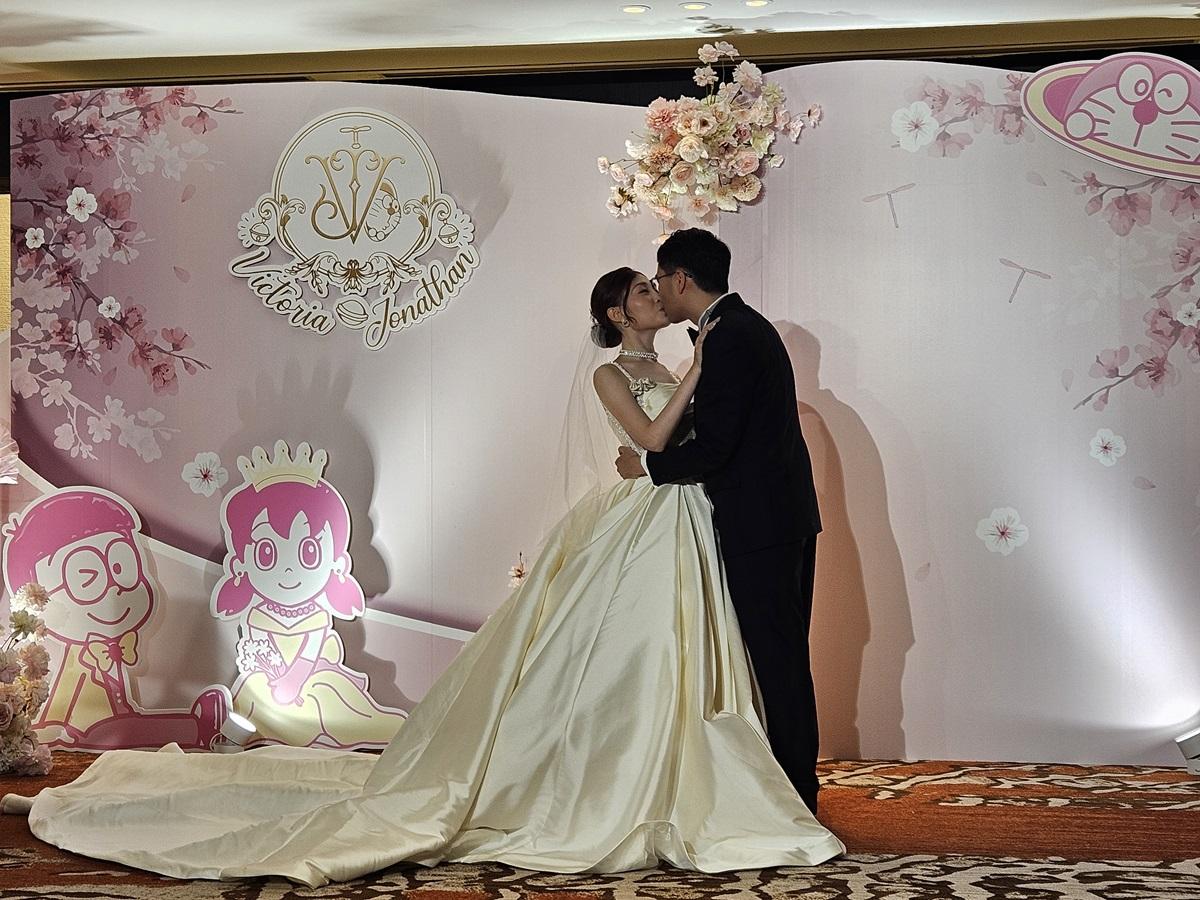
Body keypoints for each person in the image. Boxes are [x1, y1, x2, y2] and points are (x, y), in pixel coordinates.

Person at [2, 267, 842, 887]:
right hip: (646, 514)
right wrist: (695, 375)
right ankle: (613, 776)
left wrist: (695, 383)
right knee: (631, 644)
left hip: (687, 515)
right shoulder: (613, 371)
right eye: (643, 292)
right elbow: (652, 442)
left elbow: (691, 443)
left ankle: (683, 771)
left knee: (679, 646)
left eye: (659, 287)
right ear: (619, 313)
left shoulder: (688, 358)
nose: (656, 296)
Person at [615, 229, 825, 814]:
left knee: (777, 661)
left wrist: (646, 467)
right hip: (777, 517)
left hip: (761, 524)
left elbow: (716, 448)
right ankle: (787, 791)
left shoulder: (730, 335)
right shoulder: (741, 328)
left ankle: (796, 800)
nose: (658, 291)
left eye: (659, 279)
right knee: (775, 658)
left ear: (682, 278)